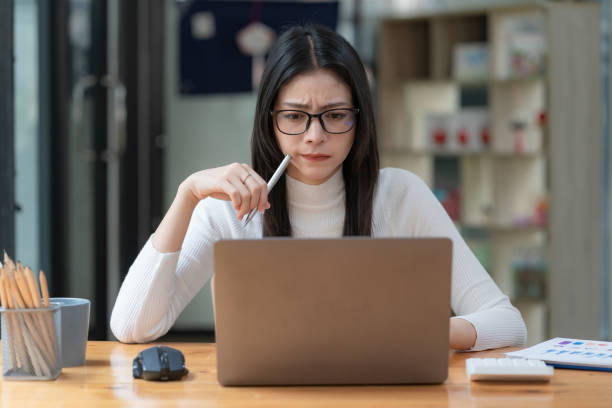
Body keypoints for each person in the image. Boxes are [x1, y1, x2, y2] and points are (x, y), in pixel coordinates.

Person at [110, 24, 526, 351]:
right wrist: (187, 194)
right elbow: (132, 327)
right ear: (269, 120)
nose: (314, 136)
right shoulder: (231, 209)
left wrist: (408, 332)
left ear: (359, 119)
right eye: (294, 116)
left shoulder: (401, 194)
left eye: (335, 115)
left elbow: (507, 323)